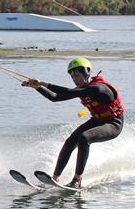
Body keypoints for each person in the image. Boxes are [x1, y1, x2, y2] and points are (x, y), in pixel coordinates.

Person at [21, 57, 125, 188]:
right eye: (72, 76)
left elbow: (68, 92)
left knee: (84, 137)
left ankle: (77, 180)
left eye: (77, 75)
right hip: (97, 120)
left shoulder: (99, 88)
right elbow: (56, 98)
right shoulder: (82, 89)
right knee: (70, 141)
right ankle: (54, 179)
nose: (75, 79)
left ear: (87, 73)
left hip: (113, 123)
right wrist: (37, 87)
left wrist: (43, 83)